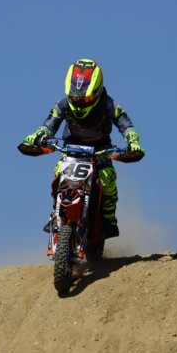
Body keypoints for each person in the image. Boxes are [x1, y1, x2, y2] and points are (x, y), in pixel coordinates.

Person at [23, 59, 144, 238]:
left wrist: (133, 141)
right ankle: (56, 214)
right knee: (59, 172)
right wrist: (38, 135)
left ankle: (109, 219)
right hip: (72, 148)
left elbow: (125, 123)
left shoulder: (108, 104)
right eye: (76, 98)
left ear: (97, 91)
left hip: (100, 149)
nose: (80, 103)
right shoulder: (63, 104)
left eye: (85, 99)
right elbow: (50, 123)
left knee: (108, 178)